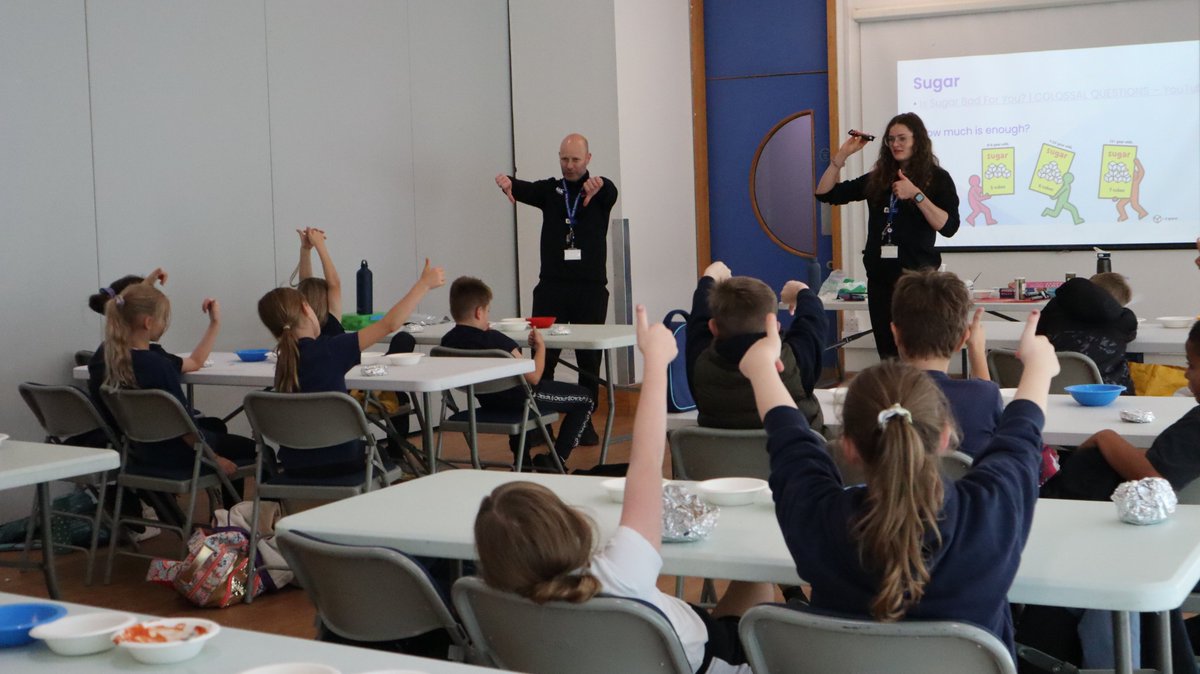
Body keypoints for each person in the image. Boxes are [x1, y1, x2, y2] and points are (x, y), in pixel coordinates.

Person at [472, 305, 772, 673]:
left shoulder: (496, 605)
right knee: (758, 588)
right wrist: (657, 362)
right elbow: (645, 464)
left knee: (726, 605)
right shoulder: (619, 573)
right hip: (702, 659)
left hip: (624, 654)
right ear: (568, 524)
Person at [741, 309, 1057, 654]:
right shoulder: (991, 512)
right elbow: (1020, 434)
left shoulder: (819, 521)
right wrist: (1039, 366)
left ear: (848, 448)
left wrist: (761, 369)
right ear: (945, 437)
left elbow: (791, 441)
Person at [256, 259, 444, 476]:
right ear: (307, 308)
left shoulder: (283, 362)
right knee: (382, 458)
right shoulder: (333, 349)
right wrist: (424, 285)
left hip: (294, 466)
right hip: (344, 461)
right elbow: (389, 324)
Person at [494, 133, 619, 445]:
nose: (569, 165)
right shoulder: (551, 190)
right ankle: (539, 422)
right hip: (551, 287)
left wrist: (599, 183)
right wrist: (507, 181)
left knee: (589, 361)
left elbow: (610, 190)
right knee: (542, 356)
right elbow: (523, 187)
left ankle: (585, 423)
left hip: (590, 290)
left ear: (588, 159)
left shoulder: (600, 192)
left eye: (576, 159)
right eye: (564, 159)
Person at [815, 113, 961, 359]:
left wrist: (916, 194)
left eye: (902, 138)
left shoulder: (937, 178)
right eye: (891, 139)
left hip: (918, 283)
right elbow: (825, 193)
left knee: (918, 353)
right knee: (888, 353)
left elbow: (948, 227)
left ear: (918, 141)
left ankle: (917, 397)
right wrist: (841, 156)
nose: (896, 144)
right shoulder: (879, 178)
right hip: (880, 281)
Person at [94, 283, 255, 503]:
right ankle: (234, 519)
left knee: (216, 426)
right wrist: (215, 458)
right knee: (252, 449)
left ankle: (227, 520)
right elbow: (184, 425)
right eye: (164, 319)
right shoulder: (156, 365)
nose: (165, 324)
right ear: (148, 322)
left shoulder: (104, 357)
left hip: (138, 452)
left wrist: (214, 324)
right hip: (177, 454)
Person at [440, 276, 593, 469]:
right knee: (585, 398)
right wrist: (541, 348)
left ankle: (524, 460)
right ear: (479, 312)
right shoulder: (497, 341)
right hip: (523, 400)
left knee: (514, 398)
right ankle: (557, 460)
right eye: (488, 311)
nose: (488, 316)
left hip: (488, 400)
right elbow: (534, 376)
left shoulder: (447, 342)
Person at [685, 261, 825, 431]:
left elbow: (698, 319)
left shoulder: (699, 364)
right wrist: (801, 290)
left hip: (721, 457)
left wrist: (709, 277)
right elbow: (813, 319)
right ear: (775, 326)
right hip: (792, 455)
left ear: (712, 327)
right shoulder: (797, 362)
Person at [890, 269, 1001, 459]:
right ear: (962, 341)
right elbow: (985, 400)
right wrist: (977, 352)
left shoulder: (873, 392)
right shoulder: (984, 396)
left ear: (895, 334)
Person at [1036, 272, 1137, 392]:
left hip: (1050, 393)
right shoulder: (1124, 319)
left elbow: (1037, 335)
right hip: (1108, 396)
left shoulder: (1053, 310)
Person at [294, 227, 345, 337]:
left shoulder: (300, 326)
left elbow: (305, 284)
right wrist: (320, 244)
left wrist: (305, 249)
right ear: (327, 298)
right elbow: (334, 283)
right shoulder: (332, 318)